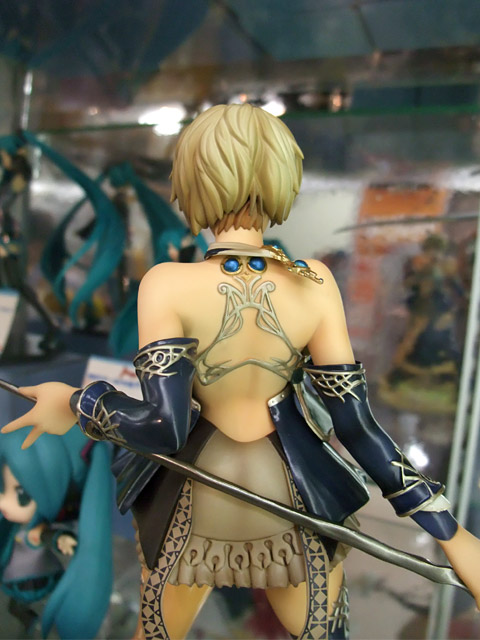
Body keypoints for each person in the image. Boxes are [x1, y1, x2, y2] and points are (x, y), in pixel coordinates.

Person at [2, 104, 480, 640]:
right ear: (281, 176)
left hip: (194, 499)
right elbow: (356, 426)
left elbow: (163, 428)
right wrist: (452, 534)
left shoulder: (168, 283)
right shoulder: (314, 282)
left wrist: (78, 402)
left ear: (192, 182)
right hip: (292, 495)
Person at [0, 426, 113, 638]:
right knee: (16, 607)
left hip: (35, 579)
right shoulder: (11, 525)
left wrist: (61, 539)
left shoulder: (35, 530)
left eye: (21, 494)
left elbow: (45, 536)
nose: (3, 503)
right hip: (15, 578)